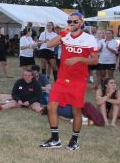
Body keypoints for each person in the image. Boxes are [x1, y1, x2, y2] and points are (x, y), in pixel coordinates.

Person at [39, 12, 99, 149]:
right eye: (69, 21)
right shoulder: (65, 36)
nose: (71, 24)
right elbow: (49, 44)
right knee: (51, 106)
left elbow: (95, 60)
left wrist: (79, 59)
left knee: (76, 111)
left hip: (78, 80)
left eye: (75, 21)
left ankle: (74, 140)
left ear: (81, 23)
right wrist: (63, 33)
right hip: (62, 79)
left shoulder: (89, 39)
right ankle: (55, 139)